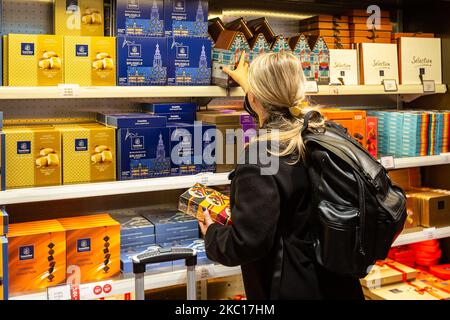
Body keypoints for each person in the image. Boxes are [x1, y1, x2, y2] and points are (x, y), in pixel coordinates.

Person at [199, 51, 364, 300]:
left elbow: (247, 243)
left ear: (253, 99)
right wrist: (252, 85)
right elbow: (283, 106)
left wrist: (212, 234)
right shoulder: (324, 132)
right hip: (340, 282)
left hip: (292, 286)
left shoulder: (261, 155)